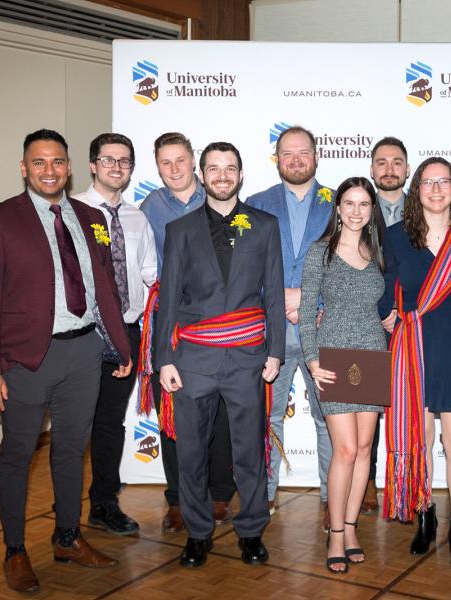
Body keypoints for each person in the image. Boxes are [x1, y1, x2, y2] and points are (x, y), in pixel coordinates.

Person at [0, 129, 132, 593]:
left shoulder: (85, 215)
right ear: (24, 168)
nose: (49, 170)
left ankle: (67, 536)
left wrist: (121, 346)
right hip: (24, 360)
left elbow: (103, 288)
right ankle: (15, 550)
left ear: (69, 167)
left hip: (82, 353)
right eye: (39, 163)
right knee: (18, 457)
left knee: (70, 452)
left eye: (57, 162)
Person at [156, 141, 284, 567]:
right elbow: (168, 300)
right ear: (202, 174)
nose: (222, 176)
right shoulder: (180, 230)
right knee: (192, 453)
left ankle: (250, 531)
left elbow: (274, 294)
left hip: (247, 357)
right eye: (214, 169)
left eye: (230, 168)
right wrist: (164, 359)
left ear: (241, 174)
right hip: (193, 358)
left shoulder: (264, 225)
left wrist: (276, 351)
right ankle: (197, 533)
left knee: (249, 450)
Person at [379, 156, 451, 569]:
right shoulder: (394, 236)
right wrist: (387, 310)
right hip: (412, 347)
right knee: (418, 441)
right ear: (415, 188)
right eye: (427, 182)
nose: (436, 189)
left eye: (444, 182)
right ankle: (425, 514)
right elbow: (383, 284)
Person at [139, 132, 236, 532]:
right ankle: (178, 497)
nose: (175, 169)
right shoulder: (149, 208)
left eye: (181, 160)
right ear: (157, 166)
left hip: (217, 320)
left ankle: (217, 493)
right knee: (174, 413)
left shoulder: (216, 199)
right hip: (172, 320)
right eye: (166, 163)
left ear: (194, 162)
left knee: (222, 411)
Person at [247, 126, 335, 527]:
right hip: (271, 332)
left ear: (316, 157)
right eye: (288, 153)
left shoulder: (340, 203)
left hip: (324, 328)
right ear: (277, 159)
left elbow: (352, 265)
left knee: (330, 419)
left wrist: (308, 299)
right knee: (266, 418)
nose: (296, 159)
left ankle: (334, 495)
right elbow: (244, 269)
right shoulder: (255, 203)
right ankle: (261, 496)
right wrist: (280, 299)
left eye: (304, 152)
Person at [299, 177, 388, 573]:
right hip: (332, 356)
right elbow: (305, 311)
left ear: (372, 209)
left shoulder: (379, 251)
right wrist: (313, 360)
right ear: (337, 208)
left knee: (366, 447)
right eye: (349, 203)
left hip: (372, 353)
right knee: (346, 450)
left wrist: (396, 314)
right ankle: (335, 532)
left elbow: (391, 298)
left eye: (363, 204)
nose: (356, 211)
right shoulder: (321, 252)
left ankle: (351, 528)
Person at [75, 133, 157, 536]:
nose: (116, 167)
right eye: (108, 159)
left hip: (125, 331)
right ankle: (67, 502)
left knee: (110, 422)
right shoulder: (71, 212)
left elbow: (150, 274)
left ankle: (104, 503)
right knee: (74, 422)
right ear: (92, 165)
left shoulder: (137, 218)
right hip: (82, 333)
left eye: (124, 161)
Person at [361, 136, 410, 514]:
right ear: (372, 169)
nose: (389, 169)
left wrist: (401, 310)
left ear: (407, 169)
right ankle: (367, 483)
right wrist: (380, 310)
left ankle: (409, 477)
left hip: (413, 323)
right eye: (381, 162)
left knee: (410, 405)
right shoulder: (356, 209)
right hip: (365, 322)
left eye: (397, 162)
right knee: (365, 405)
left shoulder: (428, 208)